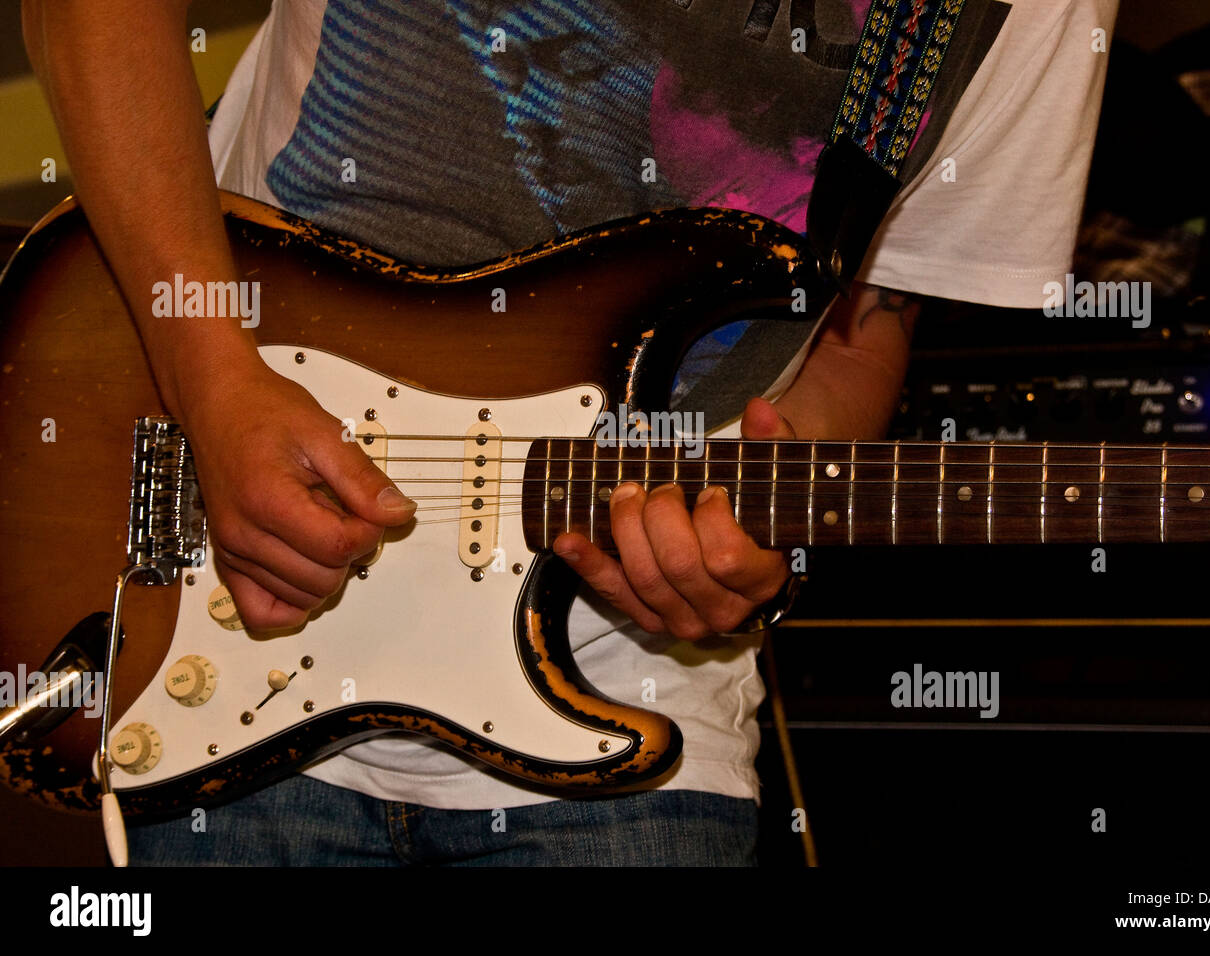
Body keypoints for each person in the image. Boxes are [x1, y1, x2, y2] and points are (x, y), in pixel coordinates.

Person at [22, 0, 1116, 865]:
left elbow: (860, 324)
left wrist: (748, 524)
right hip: (221, 612)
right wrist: (212, 381)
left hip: (636, 701)